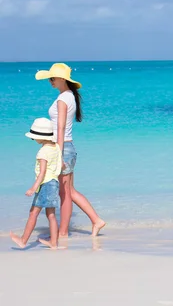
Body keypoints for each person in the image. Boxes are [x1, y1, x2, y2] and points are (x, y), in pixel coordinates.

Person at [35, 63, 106, 238]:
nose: (50, 81)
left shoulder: (62, 99)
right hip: (69, 146)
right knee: (69, 191)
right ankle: (92, 221)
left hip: (63, 147)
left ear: (61, 79)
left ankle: (66, 231)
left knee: (65, 193)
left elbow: (60, 128)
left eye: (52, 78)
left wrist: (56, 154)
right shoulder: (70, 96)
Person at [10, 118, 63, 249]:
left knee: (33, 213)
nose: (34, 140)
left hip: (45, 184)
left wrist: (33, 188)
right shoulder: (56, 147)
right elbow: (61, 164)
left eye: (34, 138)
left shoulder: (42, 152)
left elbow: (42, 173)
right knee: (51, 215)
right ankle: (54, 243)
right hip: (54, 183)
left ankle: (23, 240)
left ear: (40, 137)